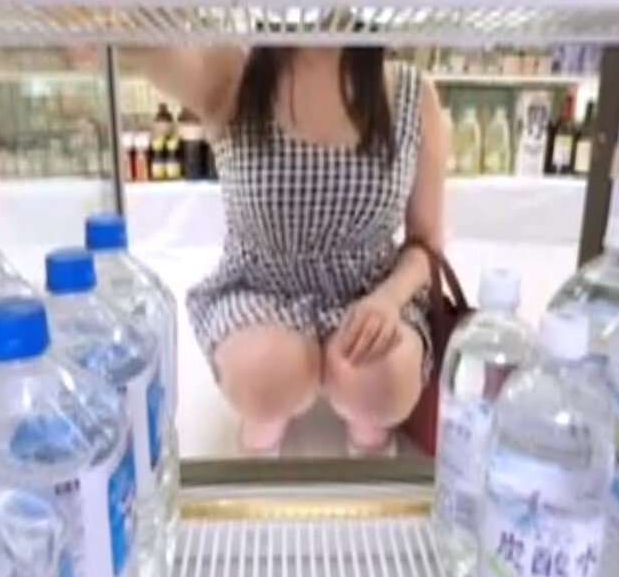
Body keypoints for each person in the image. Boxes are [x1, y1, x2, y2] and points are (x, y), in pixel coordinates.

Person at [126, 41, 447, 455]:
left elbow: (426, 242)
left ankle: (366, 440)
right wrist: (108, 22)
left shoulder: (412, 97)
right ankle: (262, 440)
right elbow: (149, 49)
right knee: (268, 373)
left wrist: (389, 299)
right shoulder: (232, 75)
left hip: (372, 293)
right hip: (259, 289)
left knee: (383, 379)